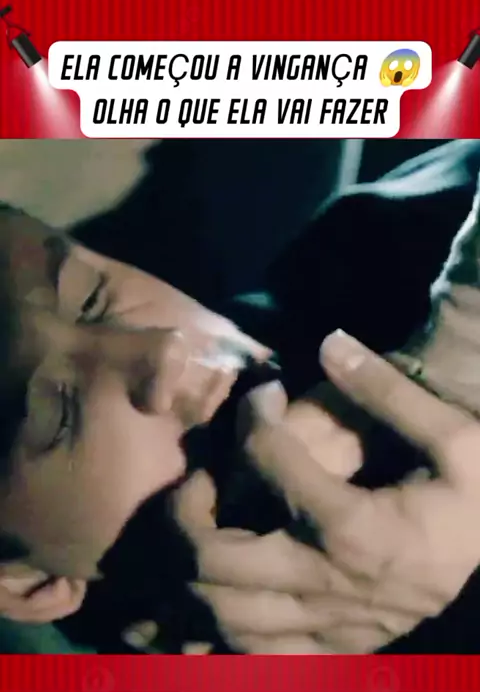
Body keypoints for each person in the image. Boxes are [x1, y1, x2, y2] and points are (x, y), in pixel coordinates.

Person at [0, 138, 480, 654]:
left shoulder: (381, 243)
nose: (165, 350)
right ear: (23, 582)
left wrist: (458, 353)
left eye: (92, 295)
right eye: (59, 416)